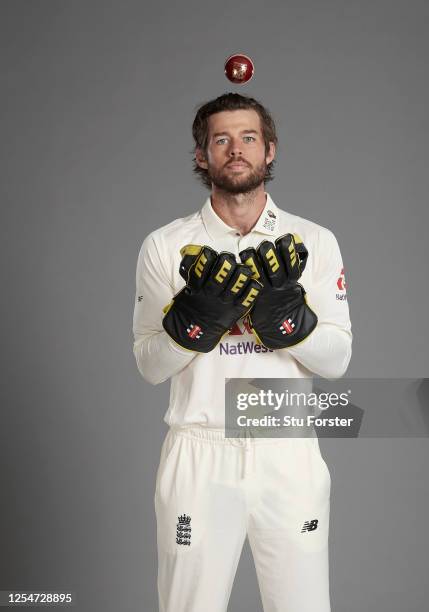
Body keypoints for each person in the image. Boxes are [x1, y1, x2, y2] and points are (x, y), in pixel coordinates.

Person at [132, 93, 352, 612]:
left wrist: (291, 324)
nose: (236, 149)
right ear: (202, 155)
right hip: (199, 450)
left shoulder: (313, 241)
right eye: (222, 140)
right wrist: (189, 328)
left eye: (248, 138)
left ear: (270, 150)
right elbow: (147, 365)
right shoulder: (166, 246)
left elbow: (337, 360)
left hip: (288, 452)